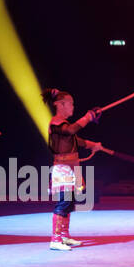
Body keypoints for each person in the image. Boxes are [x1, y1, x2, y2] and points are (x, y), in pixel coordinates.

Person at [43, 88, 103, 250]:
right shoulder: (56, 123)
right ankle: (55, 239)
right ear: (61, 105)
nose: (73, 107)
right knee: (63, 203)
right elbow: (70, 131)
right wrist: (87, 118)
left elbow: (77, 141)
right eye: (71, 104)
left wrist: (94, 145)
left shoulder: (64, 126)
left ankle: (64, 236)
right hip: (62, 170)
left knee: (69, 204)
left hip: (71, 169)